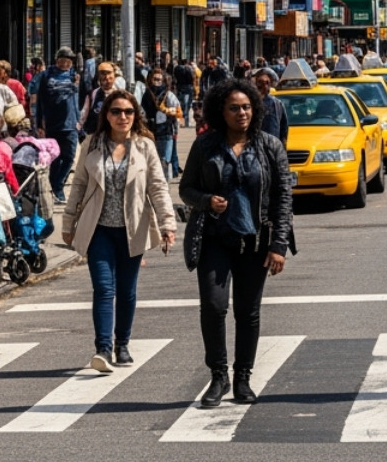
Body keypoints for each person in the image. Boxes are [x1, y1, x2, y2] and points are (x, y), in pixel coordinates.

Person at [179, 77, 294, 408]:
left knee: (248, 311)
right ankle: (218, 376)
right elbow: (186, 189)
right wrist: (205, 201)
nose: (241, 113)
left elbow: (283, 197)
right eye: (234, 108)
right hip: (214, 238)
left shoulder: (269, 145)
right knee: (214, 307)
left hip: (256, 241)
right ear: (221, 111)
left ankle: (243, 378)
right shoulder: (205, 145)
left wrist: (279, 246)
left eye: (246, 107)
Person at [62, 88, 177, 373]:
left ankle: (122, 343)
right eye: (116, 111)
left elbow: (158, 187)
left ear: (135, 115)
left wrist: (167, 224)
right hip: (98, 228)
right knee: (103, 287)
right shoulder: (91, 144)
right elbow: (77, 186)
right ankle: (102, 347)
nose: (122, 116)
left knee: (126, 291)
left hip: (133, 228)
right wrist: (68, 224)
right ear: (107, 115)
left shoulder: (145, 146)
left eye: (128, 111)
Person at [32, 48, 81, 203]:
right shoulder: (46, 76)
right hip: (53, 123)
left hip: (71, 123)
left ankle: (57, 185)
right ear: (57, 59)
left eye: (70, 60)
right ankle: (56, 189)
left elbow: (78, 99)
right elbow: (40, 101)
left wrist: (79, 120)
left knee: (69, 157)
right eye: (64, 59)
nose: (67, 62)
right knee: (55, 157)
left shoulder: (74, 76)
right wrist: (39, 123)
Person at [143, 69, 182, 174]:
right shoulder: (146, 94)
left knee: (164, 161)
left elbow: (179, 112)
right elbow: (142, 111)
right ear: (150, 80)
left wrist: (167, 110)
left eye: (160, 80)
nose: (157, 82)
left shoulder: (168, 95)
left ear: (164, 81)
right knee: (151, 162)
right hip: (149, 133)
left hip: (166, 132)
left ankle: (164, 186)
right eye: (155, 79)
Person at [80, 61, 121, 136]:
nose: (107, 78)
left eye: (109, 74)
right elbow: (83, 116)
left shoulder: (120, 94)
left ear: (114, 76)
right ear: (99, 77)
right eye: (103, 74)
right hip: (96, 137)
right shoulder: (92, 94)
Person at [251, 68, 289, 145]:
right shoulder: (249, 102)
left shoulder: (275, 103)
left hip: (271, 148)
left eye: (266, 82)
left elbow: (283, 129)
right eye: (260, 82)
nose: (263, 85)